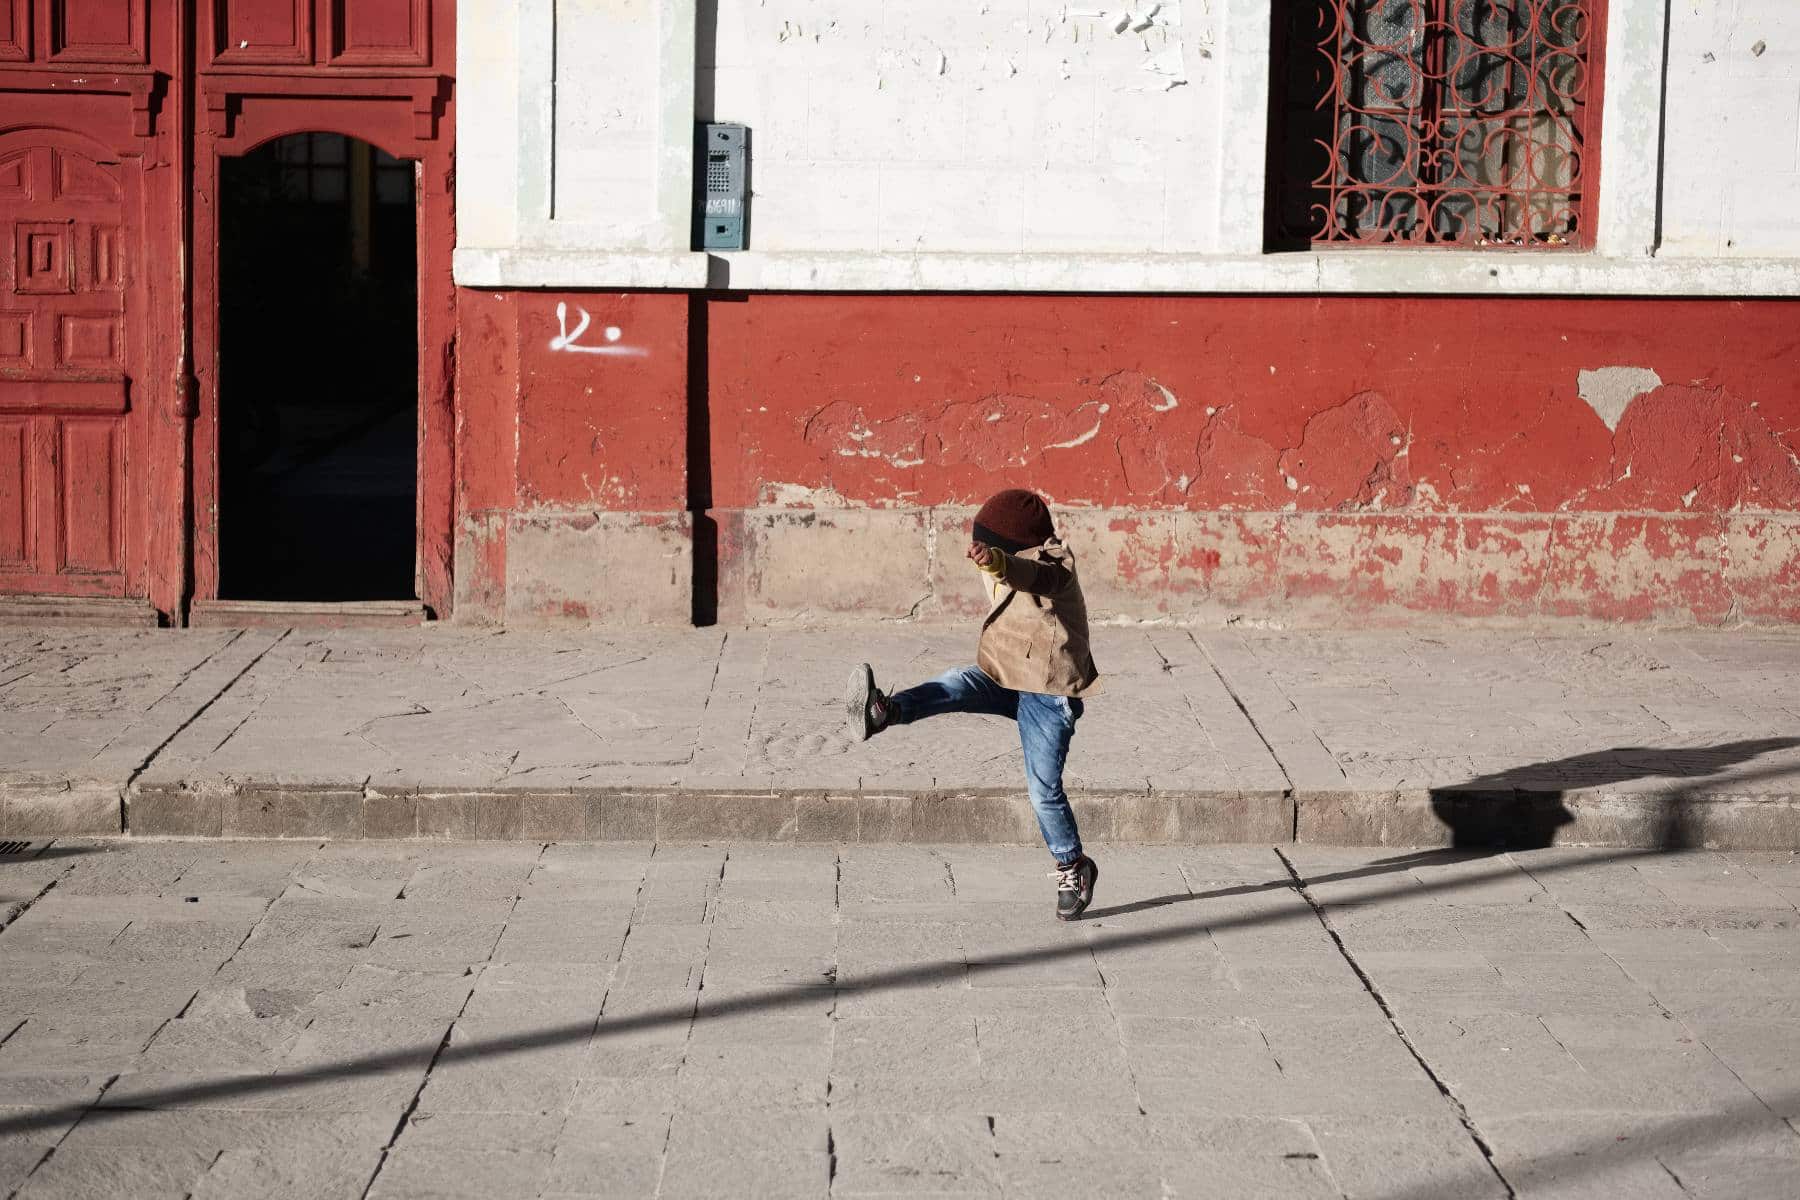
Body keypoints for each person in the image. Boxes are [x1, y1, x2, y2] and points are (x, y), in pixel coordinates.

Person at [847, 489, 1103, 920]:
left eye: (991, 545)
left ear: (1013, 546)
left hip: (1048, 693)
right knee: (954, 683)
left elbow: (1032, 576)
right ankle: (885, 711)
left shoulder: (1058, 568)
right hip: (1006, 673)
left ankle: (1072, 866)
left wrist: (999, 563)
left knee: (1043, 792)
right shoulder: (1004, 557)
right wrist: (995, 559)